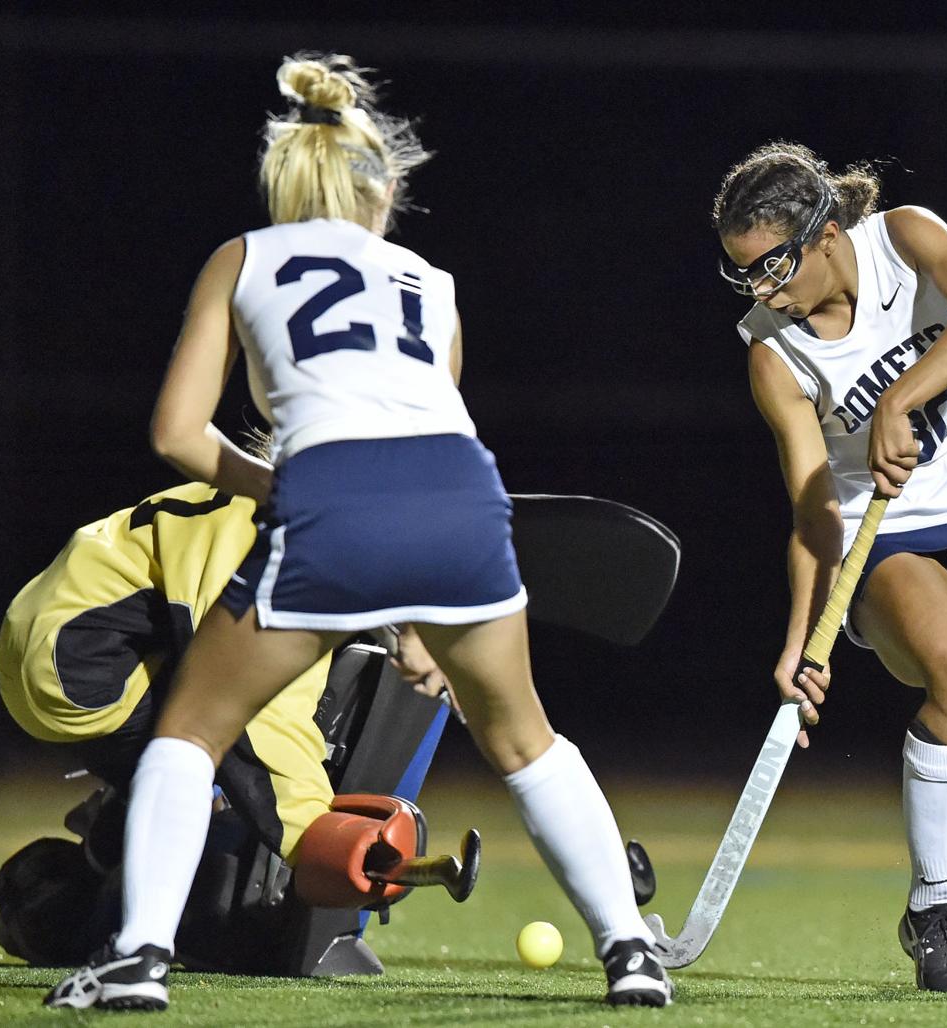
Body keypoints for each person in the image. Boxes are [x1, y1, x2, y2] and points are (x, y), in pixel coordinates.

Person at [45, 53, 670, 1010]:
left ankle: (136, 961)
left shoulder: (244, 255)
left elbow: (176, 433)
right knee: (525, 740)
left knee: (191, 730)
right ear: (382, 198)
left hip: (335, 502)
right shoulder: (433, 281)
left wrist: (276, 484)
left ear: (292, 187)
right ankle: (631, 952)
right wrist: (419, 622)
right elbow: (423, 440)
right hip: (467, 500)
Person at [712, 143, 947, 993]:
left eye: (773, 266)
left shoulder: (907, 237)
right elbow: (815, 509)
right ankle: (936, 910)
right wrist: (801, 640)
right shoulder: (775, 354)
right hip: (887, 538)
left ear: (824, 234)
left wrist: (898, 398)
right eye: (742, 274)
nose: (762, 290)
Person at [0, 480, 452, 970]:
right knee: (221, 792)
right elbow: (260, 715)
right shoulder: (289, 539)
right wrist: (321, 837)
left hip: (55, 642)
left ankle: (107, 838)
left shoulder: (271, 497)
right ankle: (73, 915)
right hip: (82, 665)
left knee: (213, 771)